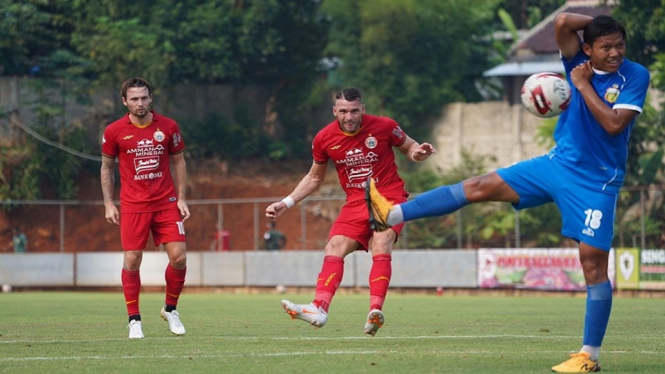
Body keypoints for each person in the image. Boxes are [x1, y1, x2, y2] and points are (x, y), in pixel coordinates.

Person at [366, 13, 649, 373]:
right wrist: (604, 21)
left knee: (592, 262)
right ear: (587, 48)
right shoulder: (575, 58)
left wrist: (581, 85)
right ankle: (391, 214)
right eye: (605, 46)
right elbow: (562, 21)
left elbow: (613, 124)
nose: (614, 53)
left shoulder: (634, 75)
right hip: (557, 164)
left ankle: (588, 356)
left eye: (619, 45)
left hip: (597, 181)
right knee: (477, 186)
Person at [265, 87, 436, 336]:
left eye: (354, 110)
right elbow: (314, 178)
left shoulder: (385, 126)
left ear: (362, 109)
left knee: (382, 240)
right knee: (334, 246)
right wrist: (286, 202)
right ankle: (319, 308)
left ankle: (374, 311)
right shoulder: (323, 138)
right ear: (335, 111)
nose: (349, 116)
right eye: (343, 111)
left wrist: (419, 153)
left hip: (388, 195)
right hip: (356, 201)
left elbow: (411, 148)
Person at [100, 77, 191, 339]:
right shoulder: (114, 131)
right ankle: (134, 320)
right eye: (134, 99)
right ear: (125, 101)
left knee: (180, 257)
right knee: (132, 260)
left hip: (166, 203)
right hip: (132, 205)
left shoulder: (169, 126)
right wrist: (108, 203)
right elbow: (106, 168)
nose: (140, 103)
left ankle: (170, 309)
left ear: (151, 98)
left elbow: (180, 162)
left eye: (144, 97)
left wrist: (182, 197)